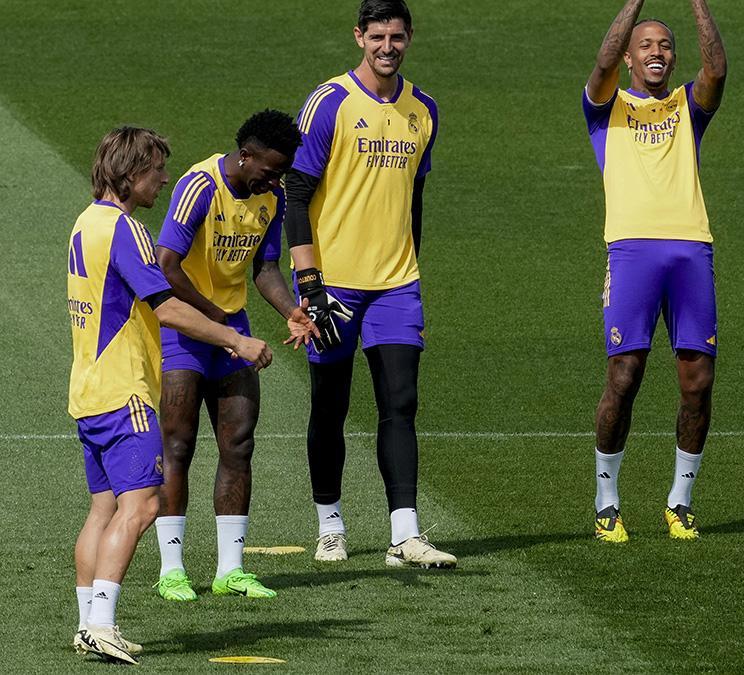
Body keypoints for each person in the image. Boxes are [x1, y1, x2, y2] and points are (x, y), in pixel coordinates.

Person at [69, 127, 271, 663]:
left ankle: (87, 620)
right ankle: (104, 623)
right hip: (124, 391)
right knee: (143, 504)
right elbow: (165, 305)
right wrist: (234, 338)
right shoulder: (125, 228)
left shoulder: (83, 223)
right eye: (156, 169)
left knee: (103, 509)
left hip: (87, 390)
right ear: (132, 173)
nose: (163, 178)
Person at [284, 0, 455, 568]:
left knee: (400, 402)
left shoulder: (424, 108)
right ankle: (329, 524)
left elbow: (418, 198)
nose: (388, 46)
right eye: (377, 36)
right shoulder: (329, 102)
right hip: (333, 286)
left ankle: (403, 535)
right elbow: (297, 194)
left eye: (397, 36)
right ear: (359, 36)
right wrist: (309, 285)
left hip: (396, 284)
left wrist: (411, 264)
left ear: (410, 37)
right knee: (329, 405)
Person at [152, 110, 316, 601]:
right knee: (178, 445)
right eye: (269, 168)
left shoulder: (273, 196)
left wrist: (291, 311)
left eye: (282, 171)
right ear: (245, 155)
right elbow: (166, 265)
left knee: (238, 443)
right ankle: (172, 570)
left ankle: (231, 570)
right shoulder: (199, 186)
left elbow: (264, 267)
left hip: (229, 327)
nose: (276, 178)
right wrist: (213, 317)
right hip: (187, 327)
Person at [583, 0, 727, 543]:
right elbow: (600, 65)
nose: (657, 53)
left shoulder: (688, 105)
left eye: (664, 46)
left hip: (692, 250)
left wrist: (696, 3)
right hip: (631, 252)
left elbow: (716, 70)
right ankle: (606, 500)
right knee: (625, 376)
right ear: (629, 56)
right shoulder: (606, 105)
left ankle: (680, 501)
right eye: (645, 45)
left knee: (698, 380)